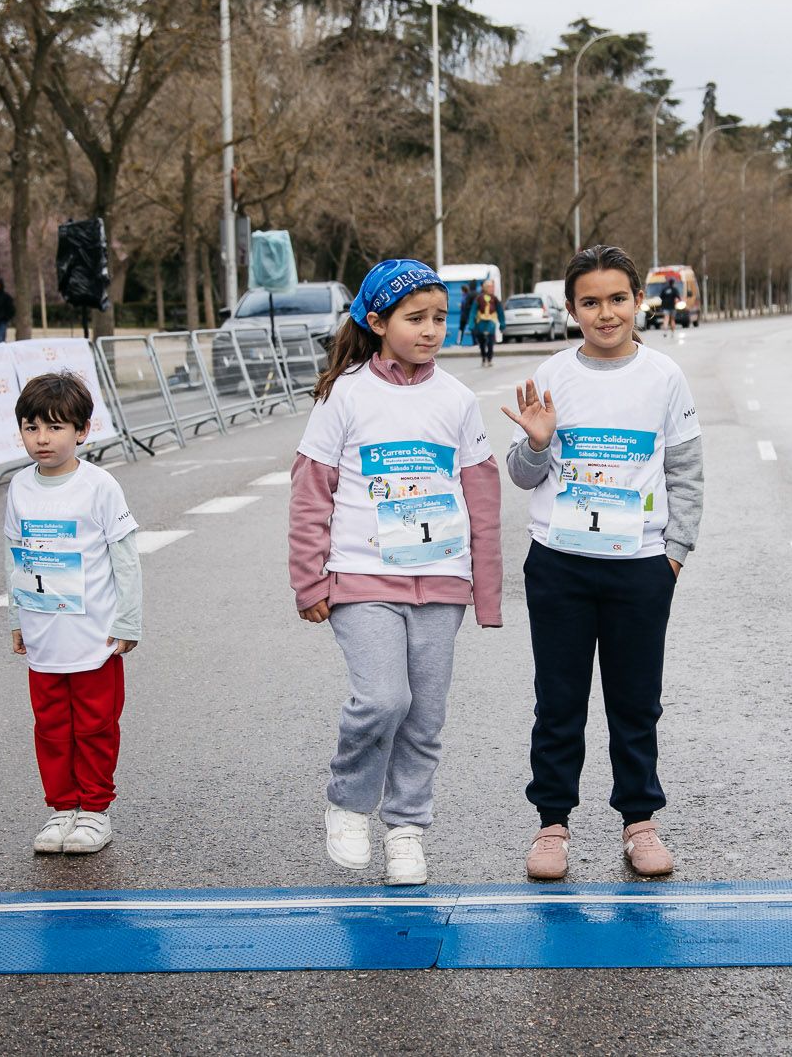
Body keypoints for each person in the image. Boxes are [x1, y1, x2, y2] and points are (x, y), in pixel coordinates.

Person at [290, 259, 501, 886]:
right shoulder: (347, 394)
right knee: (384, 698)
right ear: (377, 321)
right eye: (416, 318)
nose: (432, 330)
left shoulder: (458, 400)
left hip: (440, 584)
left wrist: (483, 589)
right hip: (360, 579)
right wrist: (309, 579)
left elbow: (481, 497)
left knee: (425, 715)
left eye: (440, 317)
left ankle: (407, 828)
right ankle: (349, 803)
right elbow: (309, 494)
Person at [503, 244, 703, 881]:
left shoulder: (665, 378)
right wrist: (537, 444)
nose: (606, 312)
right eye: (590, 302)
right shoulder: (554, 375)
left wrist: (672, 555)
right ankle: (552, 825)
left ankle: (639, 822)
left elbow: (686, 474)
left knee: (636, 701)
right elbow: (521, 474)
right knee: (557, 701)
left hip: (639, 568)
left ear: (639, 301)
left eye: (618, 299)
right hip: (560, 564)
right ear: (571, 309)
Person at [5, 372, 141, 856]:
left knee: (96, 725)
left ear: (82, 431)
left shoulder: (99, 486)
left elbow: (125, 557)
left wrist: (127, 621)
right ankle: (62, 807)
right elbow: (14, 555)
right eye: (31, 427)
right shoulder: (19, 487)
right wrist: (16, 617)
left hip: (94, 638)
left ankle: (95, 810)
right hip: (44, 637)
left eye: (56, 427)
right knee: (50, 726)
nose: (43, 438)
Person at [472, 279, 503, 368]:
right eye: (490, 287)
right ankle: (483, 357)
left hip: (491, 322)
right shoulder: (479, 298)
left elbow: (500, 311)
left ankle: (489, 359)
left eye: (492, 287)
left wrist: (502, 323)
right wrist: (471, 324)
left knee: (490, 341)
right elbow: (473, 311)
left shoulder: (495, 299)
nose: (492, 289)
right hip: (481, 322)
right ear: (485, 288)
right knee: (481, 342)